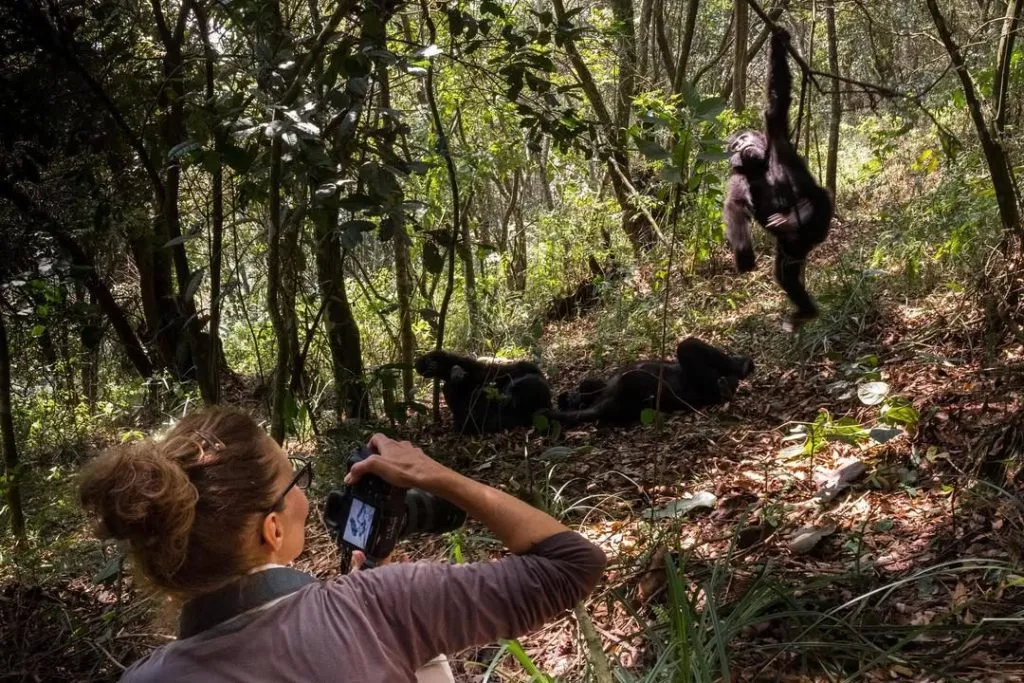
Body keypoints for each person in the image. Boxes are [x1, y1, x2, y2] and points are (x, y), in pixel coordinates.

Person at [78, 407, 607, 682]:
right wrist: (434, 473)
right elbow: (571, 564)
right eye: (295, 483)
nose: (307, 498)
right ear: (272, 530)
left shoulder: (144, 679)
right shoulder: (380, 608)